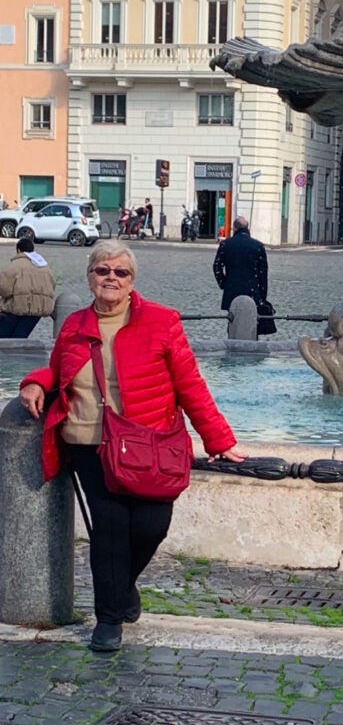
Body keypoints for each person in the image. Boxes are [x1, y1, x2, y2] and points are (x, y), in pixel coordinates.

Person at [18, 240, 245, 653]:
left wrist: (219, 439)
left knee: (151, 525)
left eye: (119, 272)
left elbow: (190, 384)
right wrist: (36, 381)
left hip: (150, 445)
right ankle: (108, 620)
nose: (110, 278)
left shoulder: (162, 322)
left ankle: (123, 589)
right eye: (102, 270)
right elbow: (57, 368)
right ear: (89, 277)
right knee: (109, 532)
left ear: (131, 281)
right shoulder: (74, 325)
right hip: (89, 443)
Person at [0, 237, 56, 338]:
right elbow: (52, 286)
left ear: (18, 250)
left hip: (17, 308)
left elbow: (4, 289)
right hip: (39, 309)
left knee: (5, 338)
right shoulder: (44, 266)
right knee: (21, 336)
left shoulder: (15, 265)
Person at [213, 215, 269, 312]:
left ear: (234, 229)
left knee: (232, 322)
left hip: (232, 290)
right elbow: (263, 274)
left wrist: (224, 283)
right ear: (247, 228)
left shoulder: (226, 244)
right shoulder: (258, 246)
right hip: (252, 291)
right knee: (251, 323)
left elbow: (217, 267)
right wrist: (262, 297)